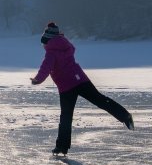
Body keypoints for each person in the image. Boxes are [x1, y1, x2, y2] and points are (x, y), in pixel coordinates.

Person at [30, 22, 134, 156]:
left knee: (66, 117)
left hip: (66, 87)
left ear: (47, 39)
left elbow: (46, 67)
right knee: (101, 100)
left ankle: (62, 146)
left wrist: (37, 79)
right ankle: (125, 116)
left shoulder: (51, 52)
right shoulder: (65, 45)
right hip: (80, 79)